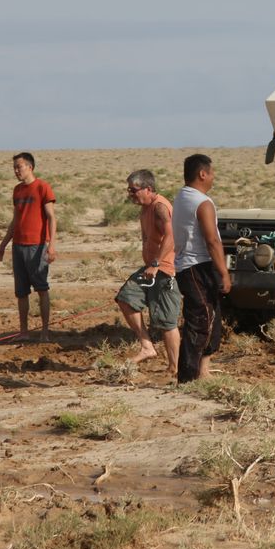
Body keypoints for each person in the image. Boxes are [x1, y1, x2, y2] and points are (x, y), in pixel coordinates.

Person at [114, 170, 182, 375]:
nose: (131, 195)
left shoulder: (160, 207)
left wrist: (155, 263)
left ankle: (175, 367)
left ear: (148, 189)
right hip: (151, 269)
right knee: (126, 298)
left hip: (165, 270)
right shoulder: (146, 207)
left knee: (167, 321)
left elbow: (172, 237)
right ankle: (147, 347)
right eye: (129, 191)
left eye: (133, 190)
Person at [172, 153, 232, 383]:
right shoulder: (202, 202)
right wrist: (224, 272)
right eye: (212, 173)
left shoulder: (182, 197)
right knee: (200, 321)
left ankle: (201, 372)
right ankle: (187, 379)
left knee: (209, 319)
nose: (213, 178)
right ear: (202, 174)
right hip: (197, 266)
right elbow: (212, 241)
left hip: (188, 266)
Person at [0, 152, 57, 340]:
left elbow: (52, 217)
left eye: (18, 167)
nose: (15, 171)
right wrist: (3, 245)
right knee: (21, 292)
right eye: (14, 167)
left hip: (36, 246)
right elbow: (15, 221)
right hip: (18, 246)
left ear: (30, 167)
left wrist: (51, 245)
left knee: (41, 289)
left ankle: (44, 332)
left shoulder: (42, 187)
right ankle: (24, 332)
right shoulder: (17, 190)